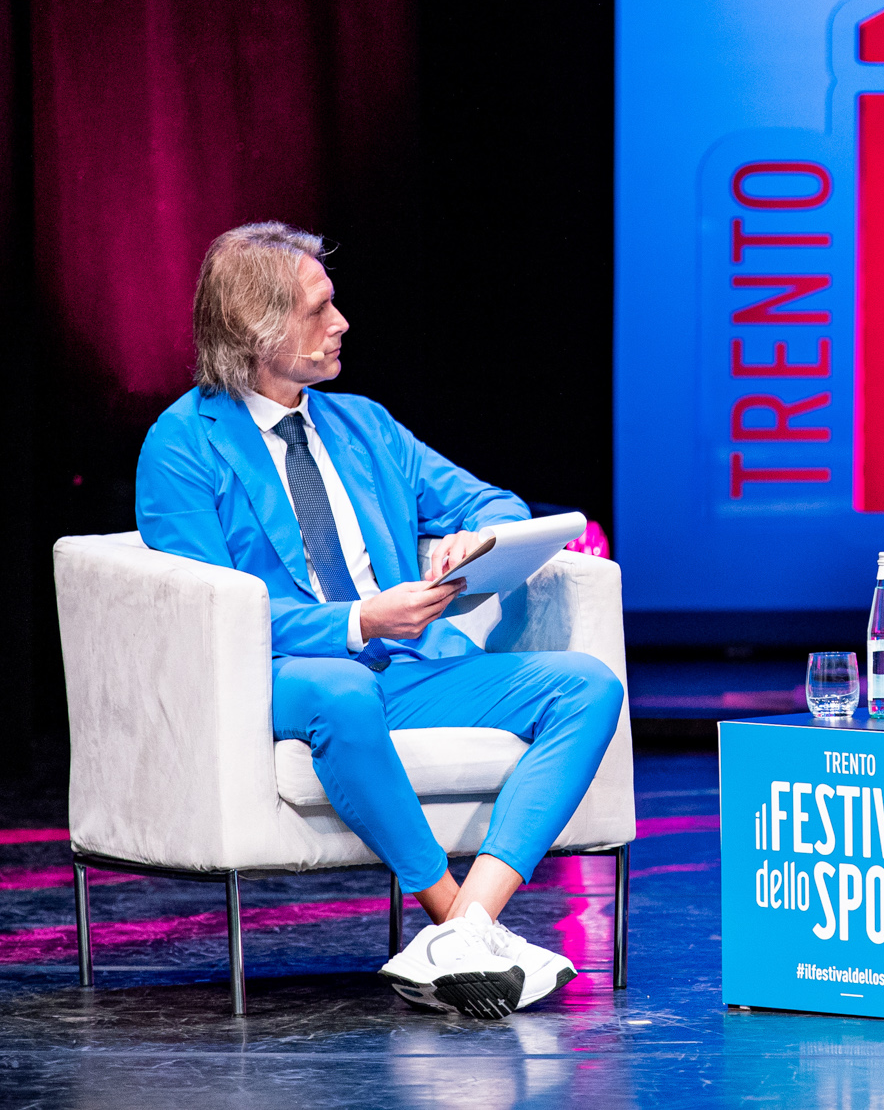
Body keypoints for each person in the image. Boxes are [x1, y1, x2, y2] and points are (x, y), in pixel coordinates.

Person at [136, 222, 624, 1019]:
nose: (342, 323)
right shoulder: (184, 444)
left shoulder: (362, 425)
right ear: (259, 330)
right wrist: (359, 619)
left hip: (407, 667)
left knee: (588, 687)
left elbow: (492, 500)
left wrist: (479, 535)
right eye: (318, 310)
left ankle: (470, 927)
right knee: (343, 694)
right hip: (284, 675)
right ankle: (452, 920)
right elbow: (212, 613)